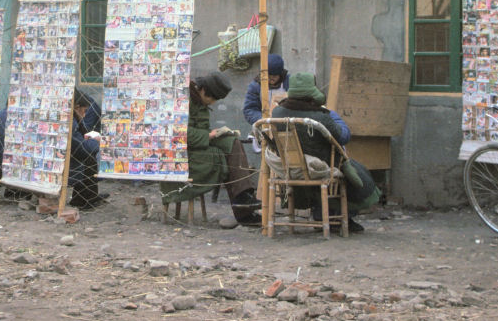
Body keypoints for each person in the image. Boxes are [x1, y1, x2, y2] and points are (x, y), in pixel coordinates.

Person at [270, 72, 381, 233]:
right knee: (354, 170)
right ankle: (339, 217)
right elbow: (343, 137)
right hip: (321, 167)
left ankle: (320, 212)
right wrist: (333, 116)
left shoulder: (277, 113)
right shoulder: (321, 117)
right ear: (311, 95)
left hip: (291, 169)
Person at [161, 71, 261, 225]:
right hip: (182, 152)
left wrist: (216, 134)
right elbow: (177, 133)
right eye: (212, 98)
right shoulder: (183, 100)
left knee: (233, 142)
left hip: (198, 142)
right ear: (202, 90)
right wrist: (208, 136)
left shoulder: (199, 99)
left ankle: (244, 198)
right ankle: (244, 213)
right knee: (222, 156)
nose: (213, 102)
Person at [242, 54, 350, 145]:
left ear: (280, 74)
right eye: (267, 76)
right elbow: (249, 110)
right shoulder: (255, 86)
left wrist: (276, 117)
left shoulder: (289, 83)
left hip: (289, 124)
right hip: (270, 127)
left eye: (274, 76)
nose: (271, 80)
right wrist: (266, 120)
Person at [68, 89, 106, 209]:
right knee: (88, 156)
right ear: (77, 107)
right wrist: (99, 141)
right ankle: (83, 199)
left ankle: (87, 197)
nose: (84, 115)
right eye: (84, 111)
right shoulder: (71, 122)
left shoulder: (74, 119)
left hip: (72, 155)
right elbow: (81, 147)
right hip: (69, 160)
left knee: (90, 157)